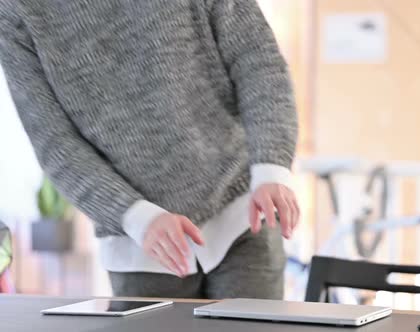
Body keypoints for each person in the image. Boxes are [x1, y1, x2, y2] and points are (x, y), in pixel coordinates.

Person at [0, 0, 299, 299]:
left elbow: (256, 58)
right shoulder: (15, 10)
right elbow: (55, 144)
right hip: (140, 244)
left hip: (242, 212)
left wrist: (271, 166)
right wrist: (137, 217)